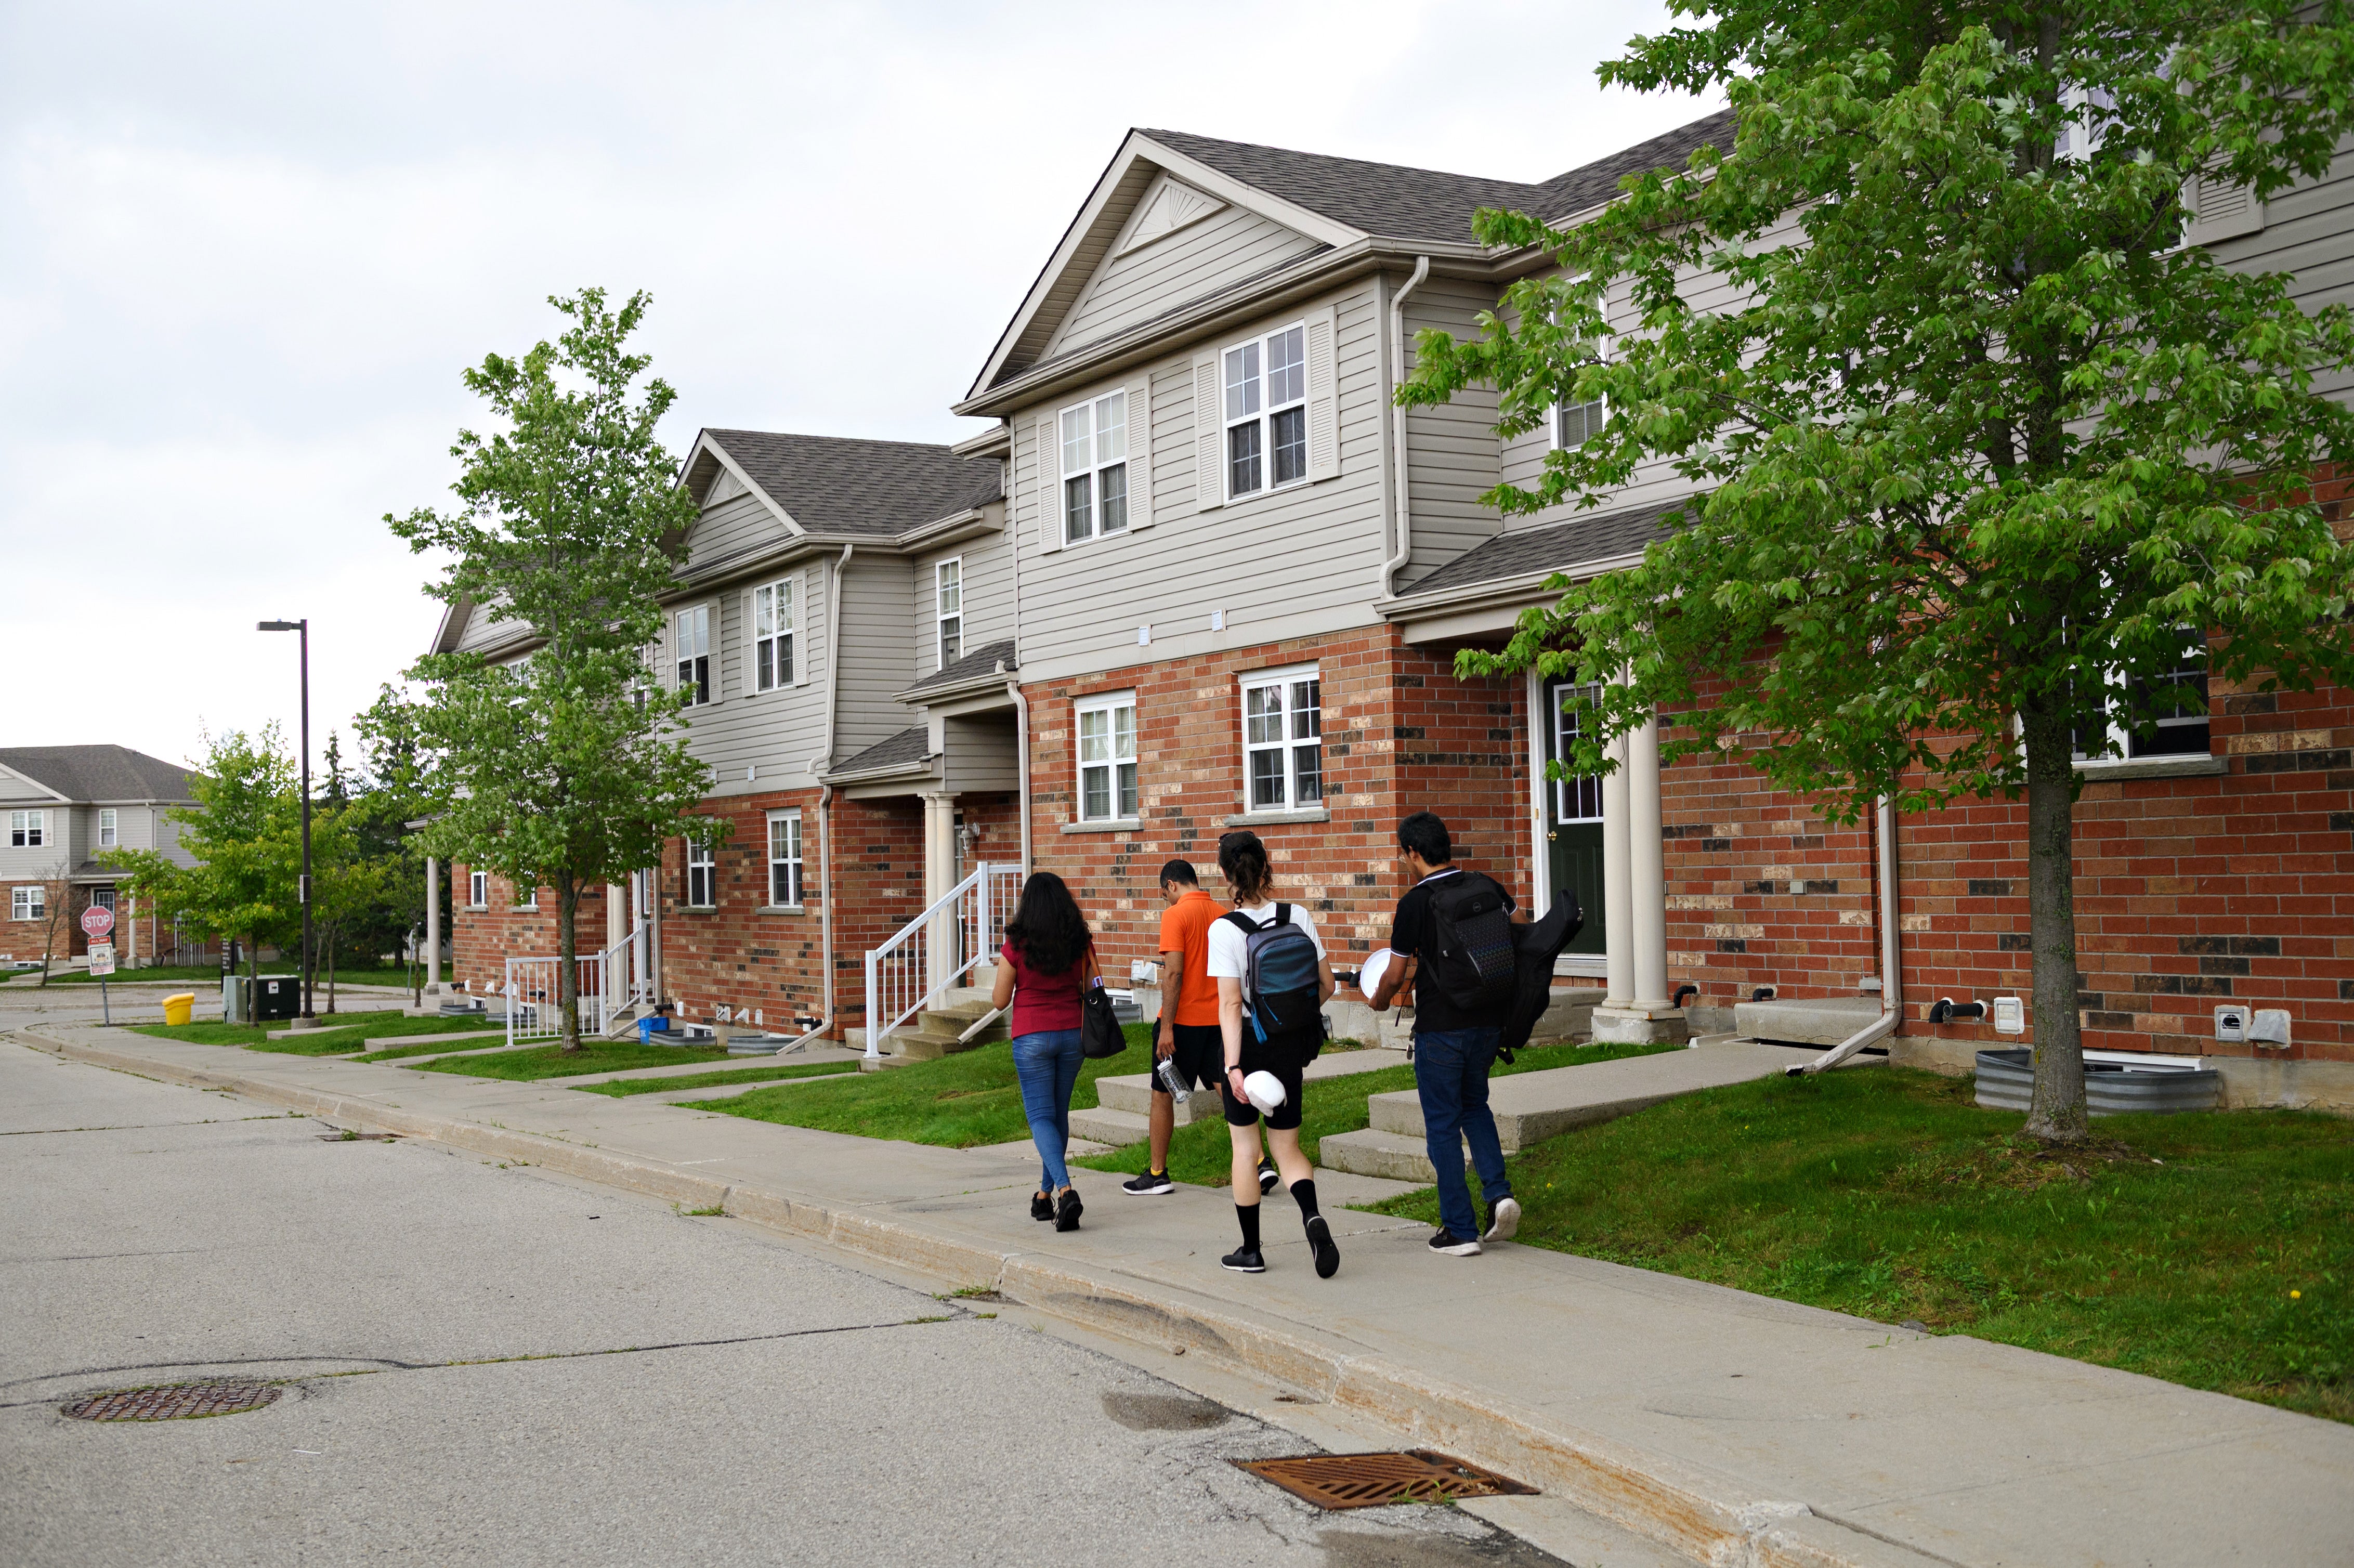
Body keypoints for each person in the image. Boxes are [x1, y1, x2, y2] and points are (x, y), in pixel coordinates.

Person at [1366, 811, 1522, 1257]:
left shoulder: (1415, 903)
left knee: (1442, 1126)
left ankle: (1459, 1229)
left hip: (1441, 1030)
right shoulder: (1487, 885)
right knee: (1475, 1105)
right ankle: (1499, 1195)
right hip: (1490, 1022)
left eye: (1404, 857)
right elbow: (1519, 926)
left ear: (1414, 854)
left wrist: (1378, 1001)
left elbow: (1395, 975)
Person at [1205, 830, 1341, 1278]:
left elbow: (1229, 1004)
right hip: (1288, 1043)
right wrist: (1292, 1019)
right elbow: (1328, 986)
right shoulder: (1297, 915)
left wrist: (1232, 1065)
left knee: (1246, 1147)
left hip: (1246, 1042)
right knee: (1287, 1146)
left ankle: (1251, 1251)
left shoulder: (1223, 930)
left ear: (1226, 875)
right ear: (1268, 866)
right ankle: (1313, 1219)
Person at [1124, 858, 1278, 1198]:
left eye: (1164, 893)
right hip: (1221, 1022)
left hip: (1183, 1024)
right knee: (1229, 1090)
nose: (1166, 899)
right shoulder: (1225, 914)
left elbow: (1174, 973)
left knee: (1161, 1095)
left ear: (1171, 886)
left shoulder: (1175, 915)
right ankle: (1260, 1163)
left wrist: (1166, 1029)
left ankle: (1157, 1173)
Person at [990, 871, 1100, 1232]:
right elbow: (1091, 985)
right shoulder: (1078, 940)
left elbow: (999, 1000)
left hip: (1032, 1037)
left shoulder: (1016, 944)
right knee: (1057, 1115)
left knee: (1039, 1117)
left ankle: (1066, 1191)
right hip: (1073, 1035)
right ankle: (1043, 1197)